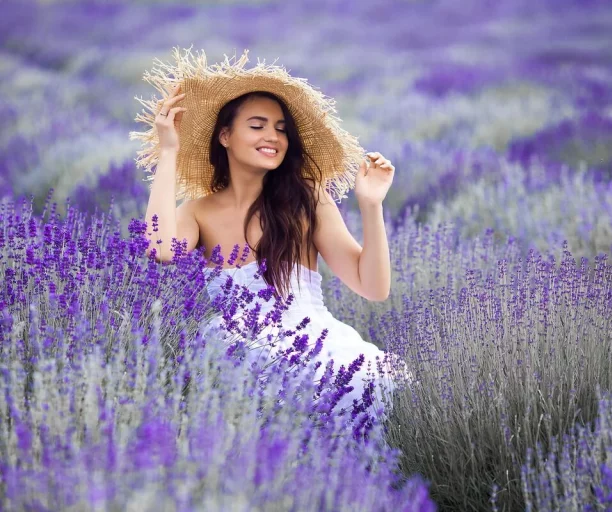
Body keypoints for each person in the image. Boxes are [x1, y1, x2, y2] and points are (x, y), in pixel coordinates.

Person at [130, 46, 413, 419]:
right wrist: (169, 151)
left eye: (281, 129)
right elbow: (160, 248)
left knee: (367, 383)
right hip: (238, 346)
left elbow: (373, 288)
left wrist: (371, 204)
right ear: (225, 136)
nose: (273, 137)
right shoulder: (199, 211)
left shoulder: (307, 199)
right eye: (258, 125)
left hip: (316, 341)